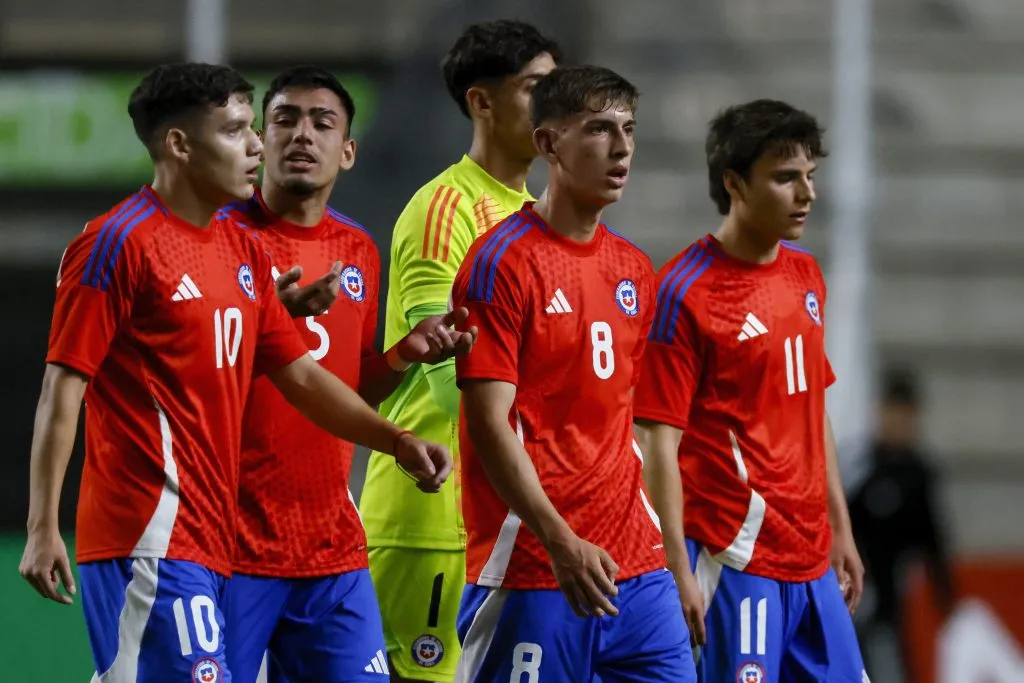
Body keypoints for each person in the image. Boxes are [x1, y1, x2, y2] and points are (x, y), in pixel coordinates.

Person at [18, 62, 451, 683]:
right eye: (238, 130)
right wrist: (41, 526)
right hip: (149, 532)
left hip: (221, 539)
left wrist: (398, 440)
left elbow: (303, 378)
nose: (258, 146)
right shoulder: (118, 242)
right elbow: (63, 390)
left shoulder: (242, 252)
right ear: (179, 144)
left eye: (253, 128)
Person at [221, 66, 477, 683]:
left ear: (348, 151)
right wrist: (270, 319)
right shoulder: (221, 240)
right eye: (285, 120)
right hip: (233, 543)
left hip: (330, 545)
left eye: (322, 122)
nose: (302, 135)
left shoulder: (357, 248)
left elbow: (351, 390)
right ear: (260, 139)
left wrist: (403, 356)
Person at [451, 64, 695, 683]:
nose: (622, 147)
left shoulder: (636, 269)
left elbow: (628, 427)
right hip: (535, 565)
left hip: (636, 568)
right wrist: (560, 541)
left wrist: (669, 552)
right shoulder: (500, 263)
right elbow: (487, 423)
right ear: (547, 143)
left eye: (629, 129)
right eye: (598, 129)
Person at [633, 99, 868, 683]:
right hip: (735, 558)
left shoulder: (805, 274)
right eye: (786, 178)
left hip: (812, 557)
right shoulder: (684, 293)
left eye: (810, 176)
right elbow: (658, 445)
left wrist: (840, 527)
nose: (807, 194)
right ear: (734, 183)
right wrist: (673, 569)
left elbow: (813, 412)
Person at [359, 20, 560, 682]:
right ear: (482, 101)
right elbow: (453, 378)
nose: (552, 107)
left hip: (501, 519)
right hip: (431, 519)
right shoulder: (446, 209)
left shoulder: (533, 217)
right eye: (537, 89)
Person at [848, 366, 955, 682]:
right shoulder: (860, 465)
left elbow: (932, 537)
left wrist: (946, 597)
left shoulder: (918, 473)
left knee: (887, 667)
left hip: (890, 608)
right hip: (851, 595)